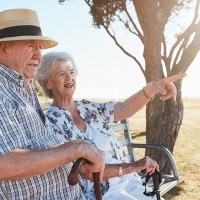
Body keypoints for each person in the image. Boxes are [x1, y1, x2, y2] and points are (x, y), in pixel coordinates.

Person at [36, 51, 187, 200]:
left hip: (128, 181)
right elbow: (86, 171)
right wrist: (135, 166)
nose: (69, 78)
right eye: (61, 74)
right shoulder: (52, 124)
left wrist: (154, 87)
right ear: (47, 82)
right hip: (101, 191)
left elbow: (122, 109)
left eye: (71, 72)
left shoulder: (87, 108)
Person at [0, 9, 106, 199]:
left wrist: (79, 161)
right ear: (3, 49)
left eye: (40, 47)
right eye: (30, 46)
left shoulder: (24, 87)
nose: (38, 55)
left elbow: (42, 148)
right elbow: (3, 164)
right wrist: (74, 149)